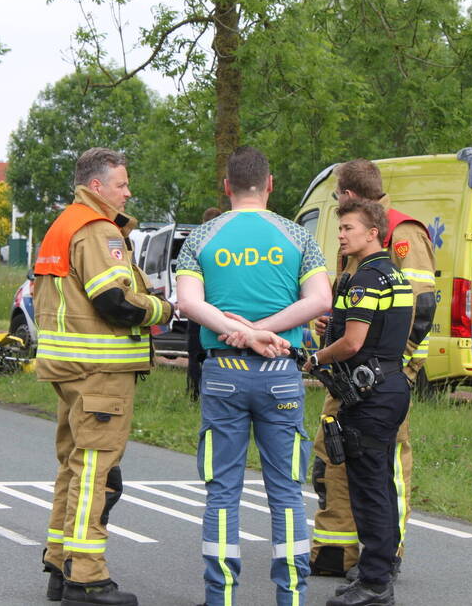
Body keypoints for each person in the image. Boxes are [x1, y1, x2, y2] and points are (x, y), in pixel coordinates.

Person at [176, 146, 332, 606]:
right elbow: (320, 300)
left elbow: (189, 303)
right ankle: (292, 597)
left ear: (226, 186)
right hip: (281, 372)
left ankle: (221, 596)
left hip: (223, 372)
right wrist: (266, 332)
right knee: (286, 492)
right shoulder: (297, 236)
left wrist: (241, 332)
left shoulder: (201, 237)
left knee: (222, 493)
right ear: (270, 185)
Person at [33, 148, 174, 606]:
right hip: (100, 371)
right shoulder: (97, 229)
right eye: (121, 184)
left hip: (69, 368)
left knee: (74, 466)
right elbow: (114, 301)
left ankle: (61, 563)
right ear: (97, 186)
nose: (128, 192)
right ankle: (86, 576)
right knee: (96, 471)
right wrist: (164, 308)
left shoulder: (64, 224)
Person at [310, 159, 436, 579]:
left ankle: (384, 556)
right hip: (346, 372)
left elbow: (419, 308)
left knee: (385, 466)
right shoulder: (358, 232)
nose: (341, 231)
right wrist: (332, 325)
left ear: (347, 194)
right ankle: (335, 552)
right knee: (333, 453)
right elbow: (356, 304)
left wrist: (393, 369)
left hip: (379, 376)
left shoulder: (401, 232)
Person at [303, 199, 414, 606]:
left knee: (369, 490)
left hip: (371, 394)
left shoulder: (365, 279)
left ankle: (375, 584)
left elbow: (353, 343)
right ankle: (374, 574)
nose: (341, 235)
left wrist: (316, 358)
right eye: (340, 228)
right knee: (380, 483)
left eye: (348, 228)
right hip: (392, 385)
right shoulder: (394, 274)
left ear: (373, 233)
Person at [185, 206, 223, 401]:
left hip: (197, 307)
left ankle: (194, 393)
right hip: (219, 306)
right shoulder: (225, 244)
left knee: (194, 354)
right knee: (218, 351)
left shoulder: (195, 242)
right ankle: (215, 391)